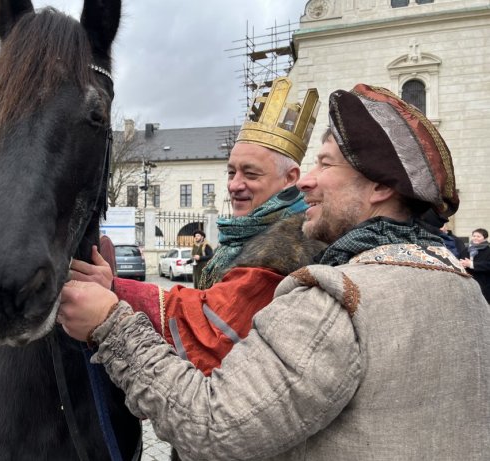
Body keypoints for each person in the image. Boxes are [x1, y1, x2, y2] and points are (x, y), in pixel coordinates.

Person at [59, 83, 490, 459]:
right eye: (230, 172)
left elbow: (214, 423)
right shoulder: (463, 287)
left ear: (380, 187)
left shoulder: (337, 295)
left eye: (325, 165)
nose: (307, 183)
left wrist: (111, 323)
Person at [71, 77, 324, 375]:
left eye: (250, 174)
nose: (234, 185)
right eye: (231, 172)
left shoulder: (289, 245)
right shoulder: (251, 233)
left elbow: (211, 325)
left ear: (291, 177)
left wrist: (114, 295)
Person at [460, 228, 490, 302]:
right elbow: (459, 259)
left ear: (485, 238)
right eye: (474, 236)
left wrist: (471, 264)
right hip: (467, 281)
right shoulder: (466, 249)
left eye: (478, 236)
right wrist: (461, 264)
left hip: (483, 283)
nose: (475, 238)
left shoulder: (488, 250)